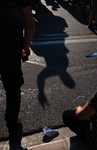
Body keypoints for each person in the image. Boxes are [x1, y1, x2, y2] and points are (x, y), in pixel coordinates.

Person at [0, 0, 34, 148]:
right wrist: (25, 47)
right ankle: (13, 127)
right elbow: (29, 24)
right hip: (9, 45)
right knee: (12, 89)